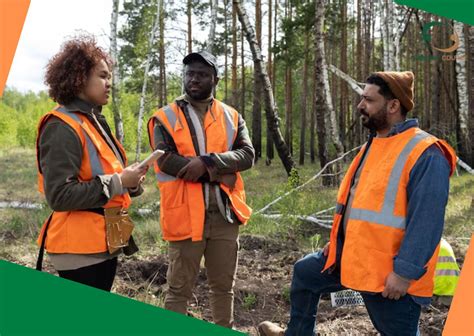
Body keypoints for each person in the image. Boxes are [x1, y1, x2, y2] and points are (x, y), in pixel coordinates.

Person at [258, 71, 457, 336]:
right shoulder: (374, 145)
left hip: (388, 274)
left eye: (368, 100)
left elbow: (427, 221)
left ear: (393, 105)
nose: (360, 105)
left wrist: (404, 274)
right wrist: (339, 242)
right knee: (305, 274)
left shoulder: (427, 153)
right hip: (351, 256)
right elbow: (359, 205)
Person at [147, 51, 254, 328]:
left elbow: (247, 155)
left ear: (214, 79)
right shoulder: (164, 117)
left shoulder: (231, 116)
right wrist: (220, 173)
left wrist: (207, 164)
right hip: (184, 216)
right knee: (178, 290)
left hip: (224, 216)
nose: (194, 79)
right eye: (190, 73)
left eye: (202, 74)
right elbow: (166, 160)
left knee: (223, 287)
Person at [36, 36, 147, 291]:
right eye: (102, 76)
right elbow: (60, 196)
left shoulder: (93, 121)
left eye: (109, 77)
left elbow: (105, 175)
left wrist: (130, 183)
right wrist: (120, 181)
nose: (109, 84)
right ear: (79, 77)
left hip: (104, 239)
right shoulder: (61, 126)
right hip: (79, 247)